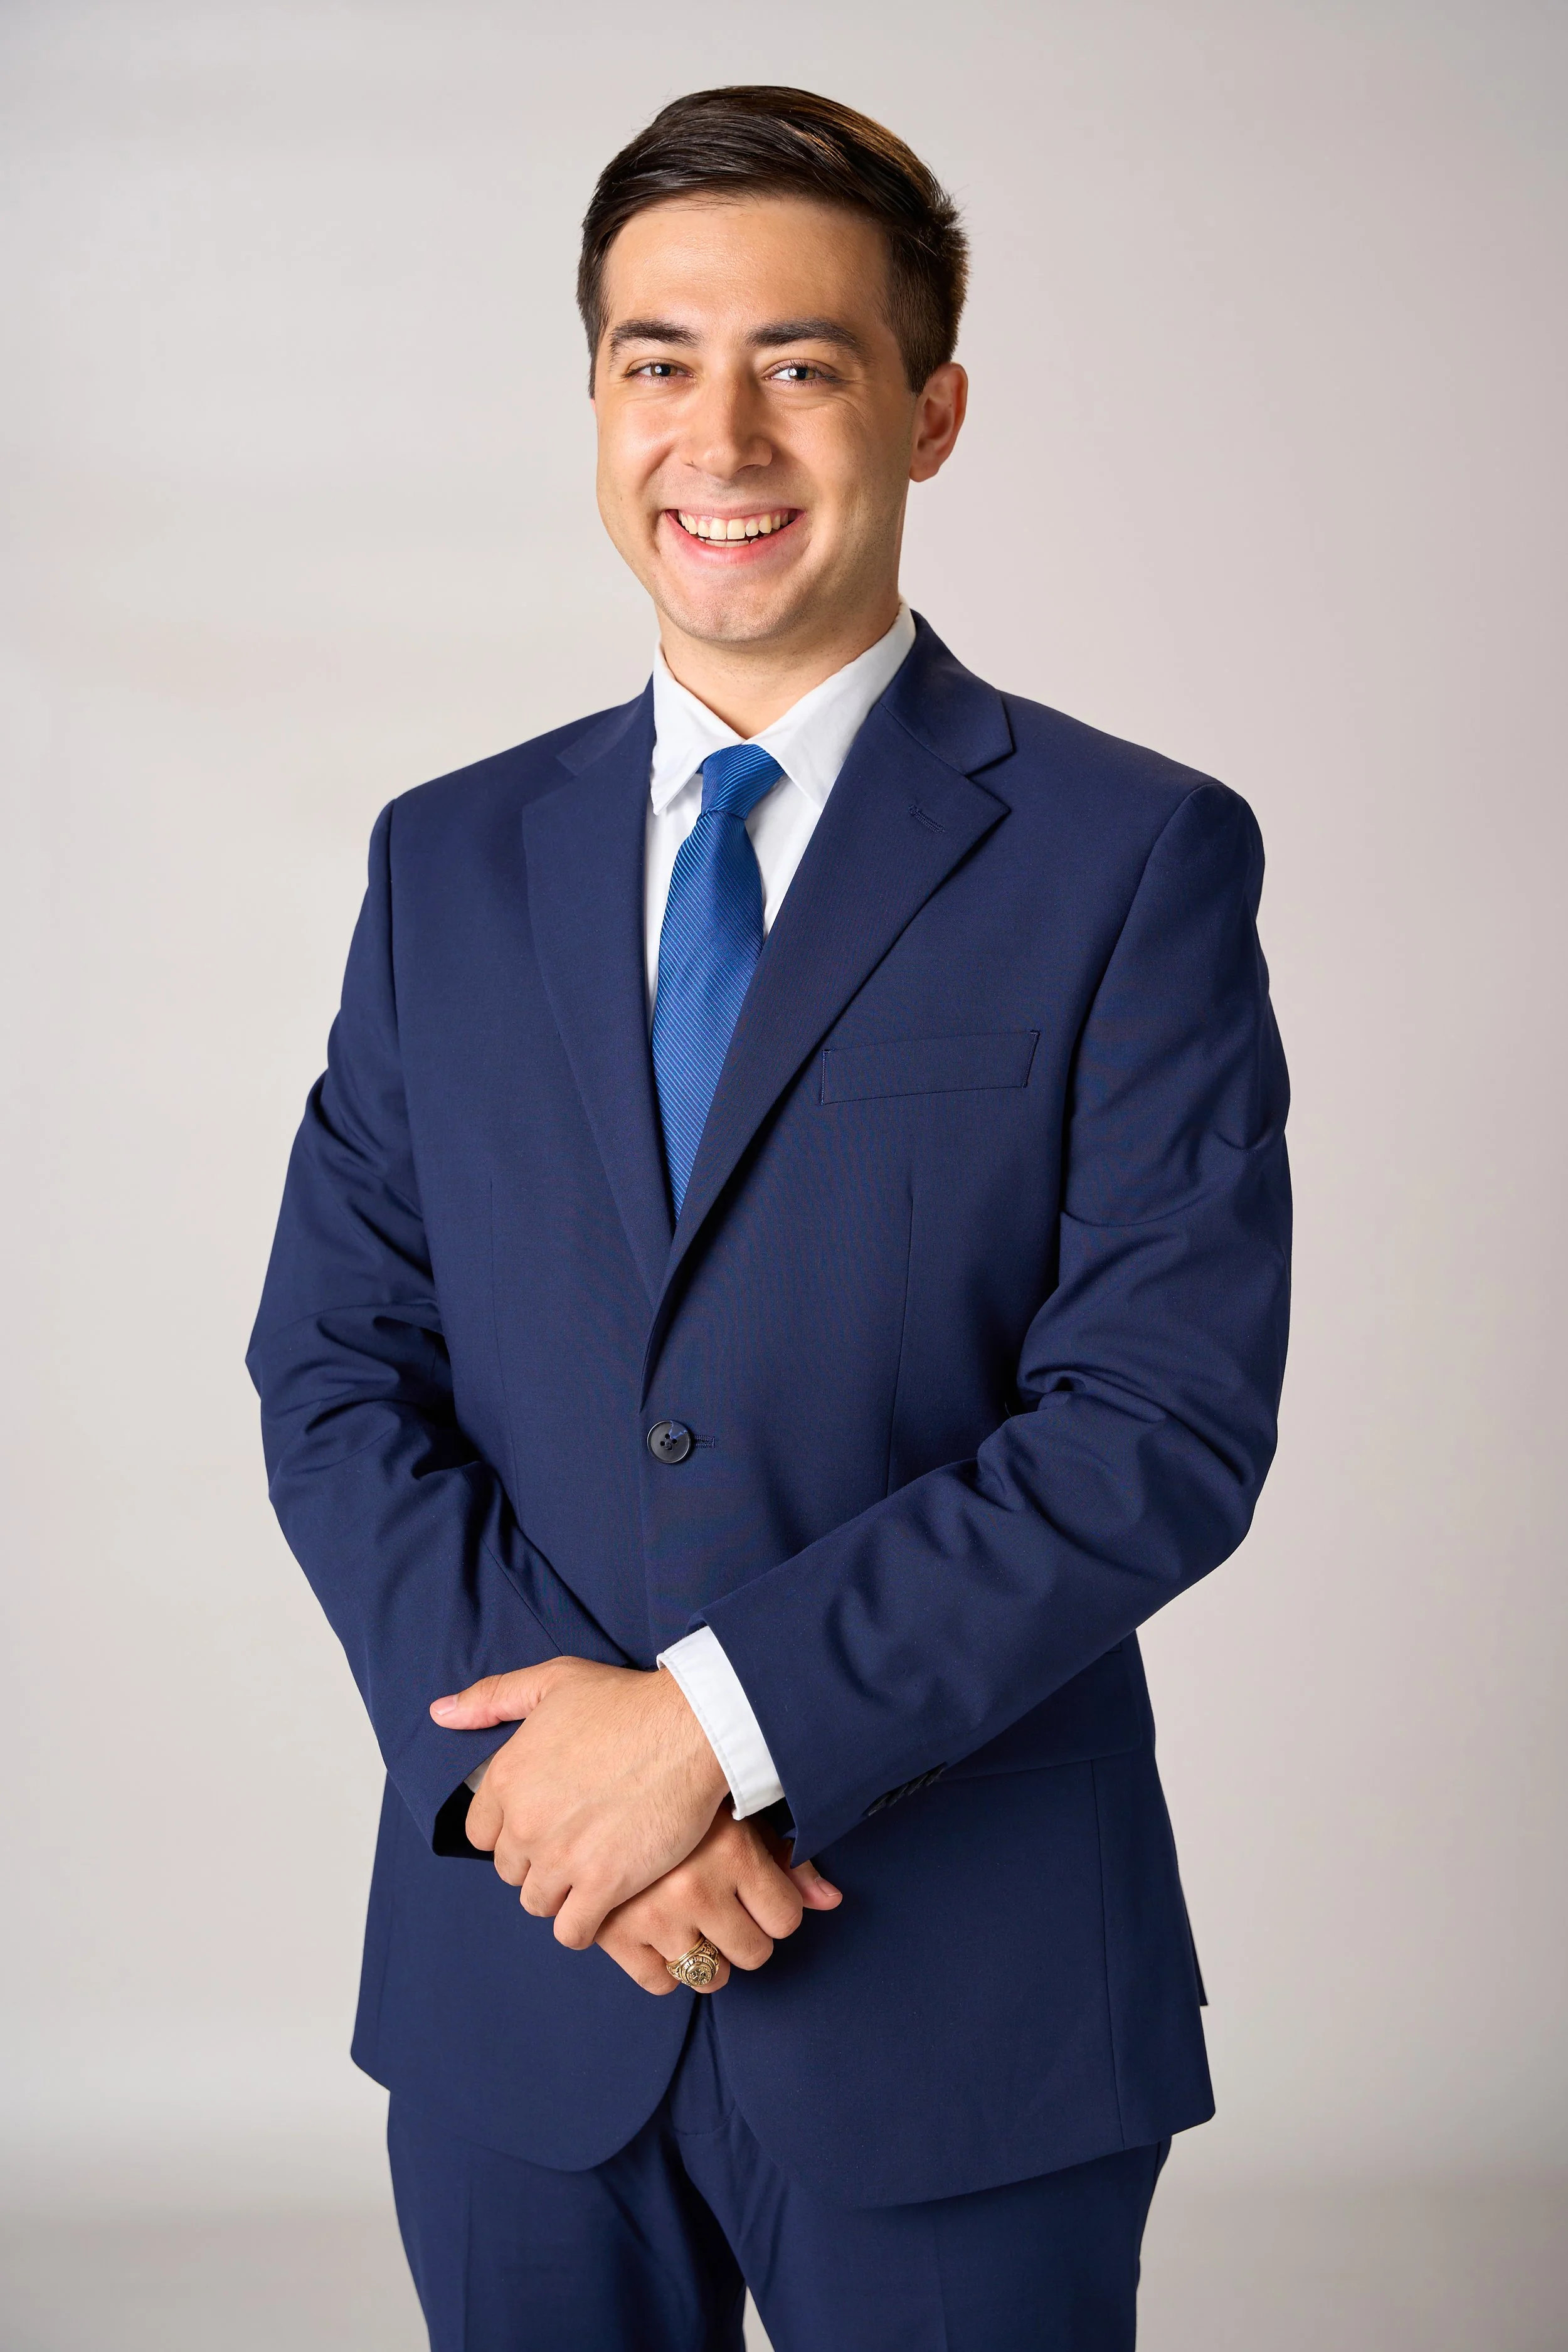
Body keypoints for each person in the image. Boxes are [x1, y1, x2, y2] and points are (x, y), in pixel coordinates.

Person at [248, 83, 1291, 2352]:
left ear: (927, 410)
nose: (716, 434)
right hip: (520, 1989)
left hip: (960, 2002)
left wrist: (708, 1731)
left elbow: (1156, 1425)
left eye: (800, 363)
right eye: (654, 359)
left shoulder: (1130, 860)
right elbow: (334, 1371)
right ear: (596, 399)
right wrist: (555, 1790)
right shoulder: (447, 862)